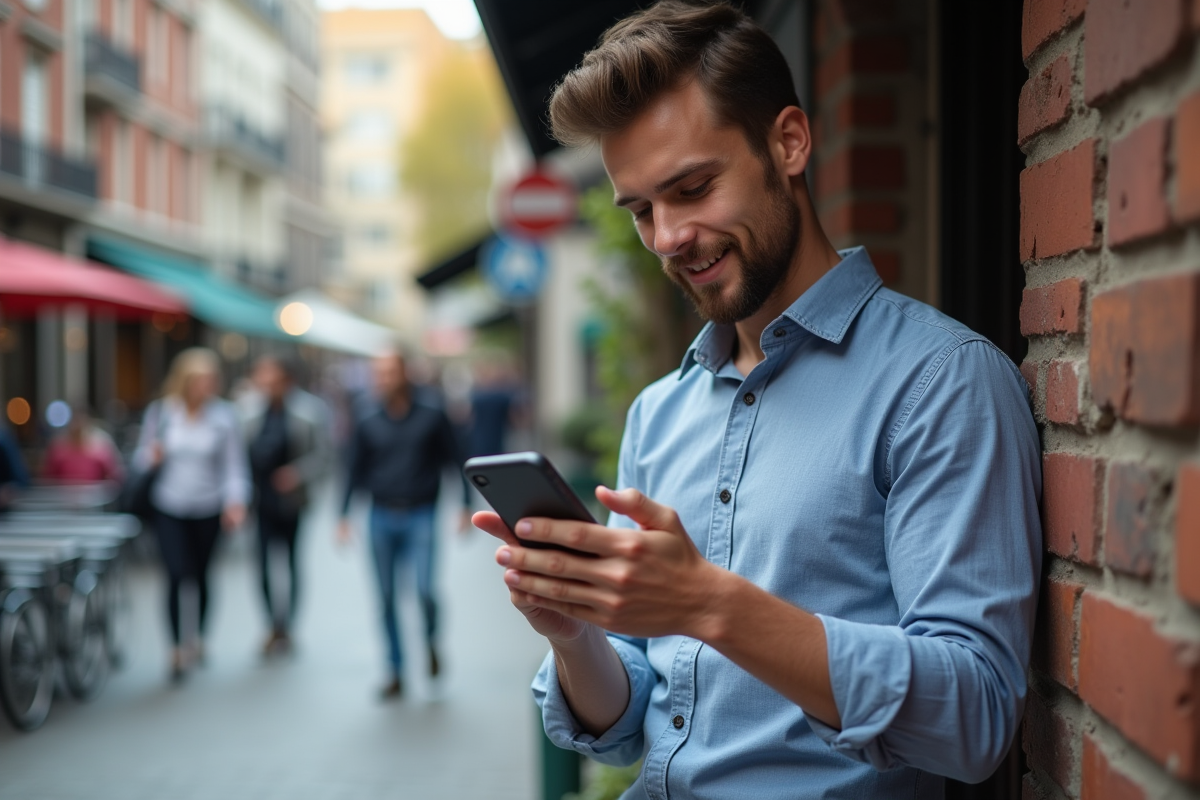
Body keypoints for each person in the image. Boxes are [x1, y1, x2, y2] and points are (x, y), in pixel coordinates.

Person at [472, 3, 1042, 798]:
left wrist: (710, 604)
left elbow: (975, 717)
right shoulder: (658, 412)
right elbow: (628, 724)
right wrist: (574, 635)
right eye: (641, 210)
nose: (667, 236)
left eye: (693, 188)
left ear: (790, 143)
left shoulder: (941, 382)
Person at [338, 349, 470, 700]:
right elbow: (353, 468)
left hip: (421, 514)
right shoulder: (366, 416)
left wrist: (465, 506)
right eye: (378, 373)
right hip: (380, 515)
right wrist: (343, 515)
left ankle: (431, 639)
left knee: (425, 590)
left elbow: (456, 459)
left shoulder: (432, 413)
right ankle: (394, 670)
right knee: (385, 597)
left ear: (404, 373)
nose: (383, 379)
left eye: (389, 372)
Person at [133, 348, 250, 682]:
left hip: (208, 506)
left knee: (201, 575)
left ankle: (197, 638)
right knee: (174, 574)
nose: (207, 386)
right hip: (169, 504)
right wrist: (152, 457)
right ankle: (175, 648)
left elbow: (234, 466)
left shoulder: (224, 417)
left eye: (211, 380)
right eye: (201, 380)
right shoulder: (162, 413)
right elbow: (141, 459)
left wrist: (236, 501)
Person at [242, 354, 331, 656]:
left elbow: (324, 456)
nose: (268, 384)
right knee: (262, 566)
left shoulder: (309, 412)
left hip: (292, 502)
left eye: (274, 378)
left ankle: (288, 626)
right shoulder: (247, 412)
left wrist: (297, 474)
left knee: (292, 564)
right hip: (260, 502)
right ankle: (272, 625)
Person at [41, 406, 123, 484]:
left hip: (95, 493)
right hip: (63, 493)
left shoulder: (102, 444)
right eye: (75, 420)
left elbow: (113, 475)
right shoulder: (58, 447)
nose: (77, 423)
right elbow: (48, 477)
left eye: (80, 419)